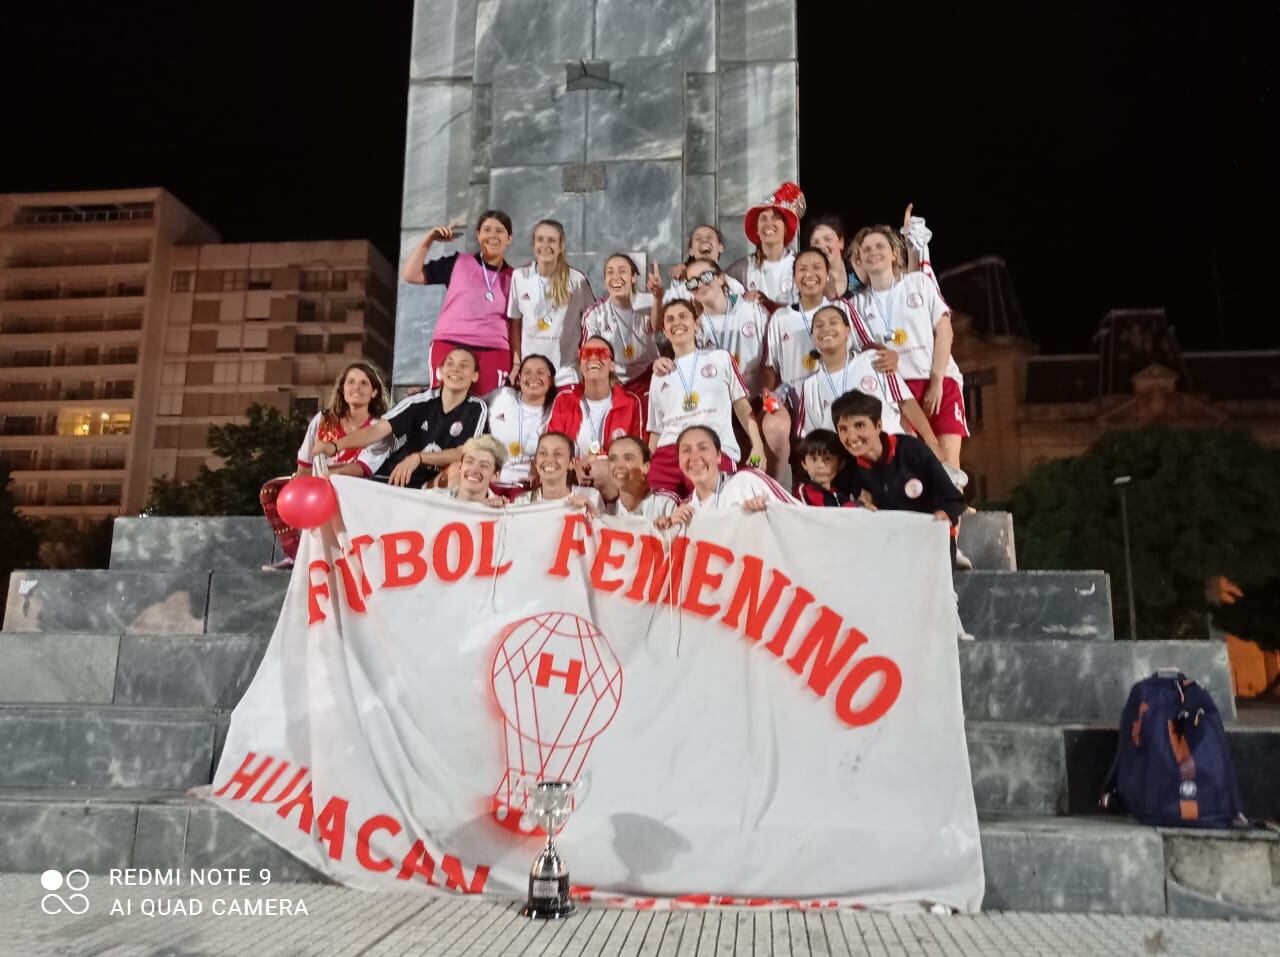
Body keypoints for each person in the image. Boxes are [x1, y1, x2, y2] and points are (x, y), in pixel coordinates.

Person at [849, 224, 968, 471]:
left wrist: (936, 381)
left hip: (939, 379)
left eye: (880, 246)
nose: (873, 252)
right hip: (898, 393)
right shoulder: (857, 304)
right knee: (911, 466)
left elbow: (945, 330)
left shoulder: (919, 283)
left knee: (949, 464)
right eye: (867, 249)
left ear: (894, 253)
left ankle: (954, 508)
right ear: (859, 259)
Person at [260, 361, 391, 571]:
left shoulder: (379, 427)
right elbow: (304, 464)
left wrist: (324, 474)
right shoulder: (323, 420)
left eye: (364, 383)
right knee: (271, 489)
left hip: (353, 488)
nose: (356, 387)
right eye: (351, 382)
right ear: (342, 389)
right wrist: (301, 483)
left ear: (374, 392)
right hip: (315, 483)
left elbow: (361, 469)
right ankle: (295, 556)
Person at [311, 346, 487, 489]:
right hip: (397, 477)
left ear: (475, 375)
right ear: (441, 371)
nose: (455, 369)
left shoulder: (477, 409)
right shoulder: (419, 402)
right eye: (450, 363)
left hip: (432, 485)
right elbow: (377, 430)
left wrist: (419, 457)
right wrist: (334, 446)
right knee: (333, 482)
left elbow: (465, 453)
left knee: (458, 471)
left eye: (464, 365)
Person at [645, 299, 766, 494]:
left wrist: (758, 447)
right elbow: (656, 430)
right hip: (668, 453)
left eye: (683, 317)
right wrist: (648, 466)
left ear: (696, 323)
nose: (677, 323)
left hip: (713, 449)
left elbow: (742, 406)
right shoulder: (659, 373)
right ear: (665, 331)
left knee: (712, 516)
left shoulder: (720, 358)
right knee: (660, 518)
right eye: (670, 319)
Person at [829, 391, 965, 564]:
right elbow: (834, 502)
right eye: (843, 429)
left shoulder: (911, 450)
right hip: (889, 551)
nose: (852, 436)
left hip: (930, 548)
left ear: (878, 426)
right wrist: (856, 506)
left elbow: (953, 499)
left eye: (859, 426)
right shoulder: (848, 468)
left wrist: (943, 514)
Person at [402, 211, 515, 395]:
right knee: (444, 408)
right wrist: (429, 239)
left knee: (490, 410)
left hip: (494, 351)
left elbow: (517, 324)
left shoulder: (516, 278)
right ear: (478, 235)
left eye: (499, 231)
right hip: (450, 344)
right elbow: (410, 274)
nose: (493, 235)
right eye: (487, 230)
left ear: (509, 238)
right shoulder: (458, 263)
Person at [796, 305, 940, 450]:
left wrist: (931, 442)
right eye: (819, 326)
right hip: (851, 465)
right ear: (813, 338)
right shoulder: (810, 386)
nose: (826, 329)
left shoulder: (873, 359)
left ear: (848, 331)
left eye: (833, 322)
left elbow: (905, 401)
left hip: (893, 451)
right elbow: (812, 437)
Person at [547, 336, 643, 499]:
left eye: (601, 353)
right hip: (571, 479)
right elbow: (552, 446)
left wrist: (600, 459)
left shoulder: (630, 402)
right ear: (581, 363)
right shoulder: (564, 400)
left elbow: (637, 452)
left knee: (602, 469)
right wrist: (575, 465)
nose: (593, 357)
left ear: (612, 365)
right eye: (587, 353)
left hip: (616, 481)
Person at [505, 219, 594, 388]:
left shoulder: (577, 280)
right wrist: (517, 365)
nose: (546, 245)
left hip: (566, 374)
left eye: (552, 240)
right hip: (531, 373)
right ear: (533, 244)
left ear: (561, 246)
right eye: (540, 239)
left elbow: (592, 323)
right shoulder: (520, 276)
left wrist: (585, 361)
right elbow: (515, 324)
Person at [657, 426, 797, 528]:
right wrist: (672, 530)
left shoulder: (748, 481)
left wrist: (770, 514)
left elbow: (801, 517)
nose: (694, 457)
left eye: (703, 448)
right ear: (679, 461)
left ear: (719, 456)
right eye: (686, 450)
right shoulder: (685, 510)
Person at [581, 254, 659, 414]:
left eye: (622, 271)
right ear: (604, 280)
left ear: (633, 278)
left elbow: (658, 326)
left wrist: (658, 298)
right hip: (612, 380)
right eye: (610, 272)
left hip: (647, 376)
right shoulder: (595, 313)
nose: (616, 277)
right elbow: (589, 355)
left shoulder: (650, 302)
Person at [679, 259, 770, 395]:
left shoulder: (752, 309)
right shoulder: (695, 326)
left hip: (756, 399)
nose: (700, 284)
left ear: (721, 278)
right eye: (692, 282)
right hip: (716, 404)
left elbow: (773, 359)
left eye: (706, 276)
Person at [726, 182, 806, 311]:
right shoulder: (740, 270)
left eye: (775, 218)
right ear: (757, 229)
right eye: (763, 218)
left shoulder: (801, 264)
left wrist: (769, 304)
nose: (769, 223)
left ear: (785, 228)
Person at [486, 354, 555, 497]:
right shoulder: (501, 396)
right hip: (492, 483)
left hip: (534, 487)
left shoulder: (556, 410)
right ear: (519, 378)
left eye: (540, 373)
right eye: (527, 372)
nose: (533, 377)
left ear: (551, 380)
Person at [511, 431, 603, 512]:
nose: (549, 460)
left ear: (571, 463)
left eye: (558, 454)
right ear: (535, 462)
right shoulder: (522, 501)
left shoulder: (592, 497)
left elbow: (604, 529)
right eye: (543, 453)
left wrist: (591, 510)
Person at [599, 435, 679, 519]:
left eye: (628, 458)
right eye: (613, 459)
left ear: (646, 467)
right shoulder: (605, 506)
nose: (619, 465)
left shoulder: (666, 503)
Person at [663, 225, 745, 304]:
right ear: (691, 251)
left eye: (710, 237)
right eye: (698, 238)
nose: (704, 240)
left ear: (721, 247)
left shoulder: (734, 286)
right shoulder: (680, 286)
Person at [424, 435, 506, 507]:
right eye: (469, 462)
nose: (474, 470)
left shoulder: (501, 512)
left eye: (484, 466)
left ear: (495, 475)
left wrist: (495, 512)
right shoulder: (432, 499)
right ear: (460, 466)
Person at [795, 429, 860, 508]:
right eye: (814, 459)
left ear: (840, 464)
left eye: (827, 459)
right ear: (804, 464)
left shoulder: (837, 494)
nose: (821, 465)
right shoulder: (802, 492)